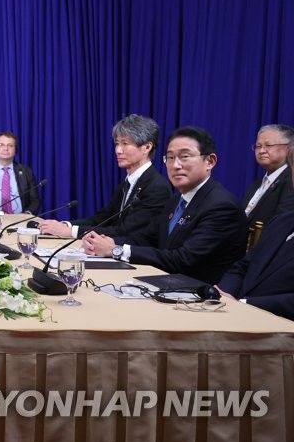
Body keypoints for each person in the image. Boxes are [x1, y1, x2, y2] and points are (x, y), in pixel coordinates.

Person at [83, 126, 247, 284]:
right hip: (165, 283)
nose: (175, 165)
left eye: (184, 156)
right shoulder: (176, 201)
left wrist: (116, 250)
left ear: (210, 161)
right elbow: (147, 238)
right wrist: (105, 242)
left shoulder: (222, 206)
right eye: (170, 157)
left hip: (200, 292)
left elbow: (182, 259)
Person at [39, 114, 171, 238]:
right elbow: (103, 219)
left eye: (125, 143)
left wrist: (70, 231)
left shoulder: (157, 188)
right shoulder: (127, 183)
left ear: (147, 147)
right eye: (117, 143)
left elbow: (125, 231)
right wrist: (65, 225)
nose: (118, 150)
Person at [219, 144, 294, 321]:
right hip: (237, 316)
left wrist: (244, 304)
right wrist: (223, 293)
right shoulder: (280, 221)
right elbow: (243, 266)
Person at [242, 124, 294, 228]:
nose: (261, 151)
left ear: (288, 148)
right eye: (258, 146)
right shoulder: (256, 184)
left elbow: (281, 224)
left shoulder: (291, 181)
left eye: (268, 145)